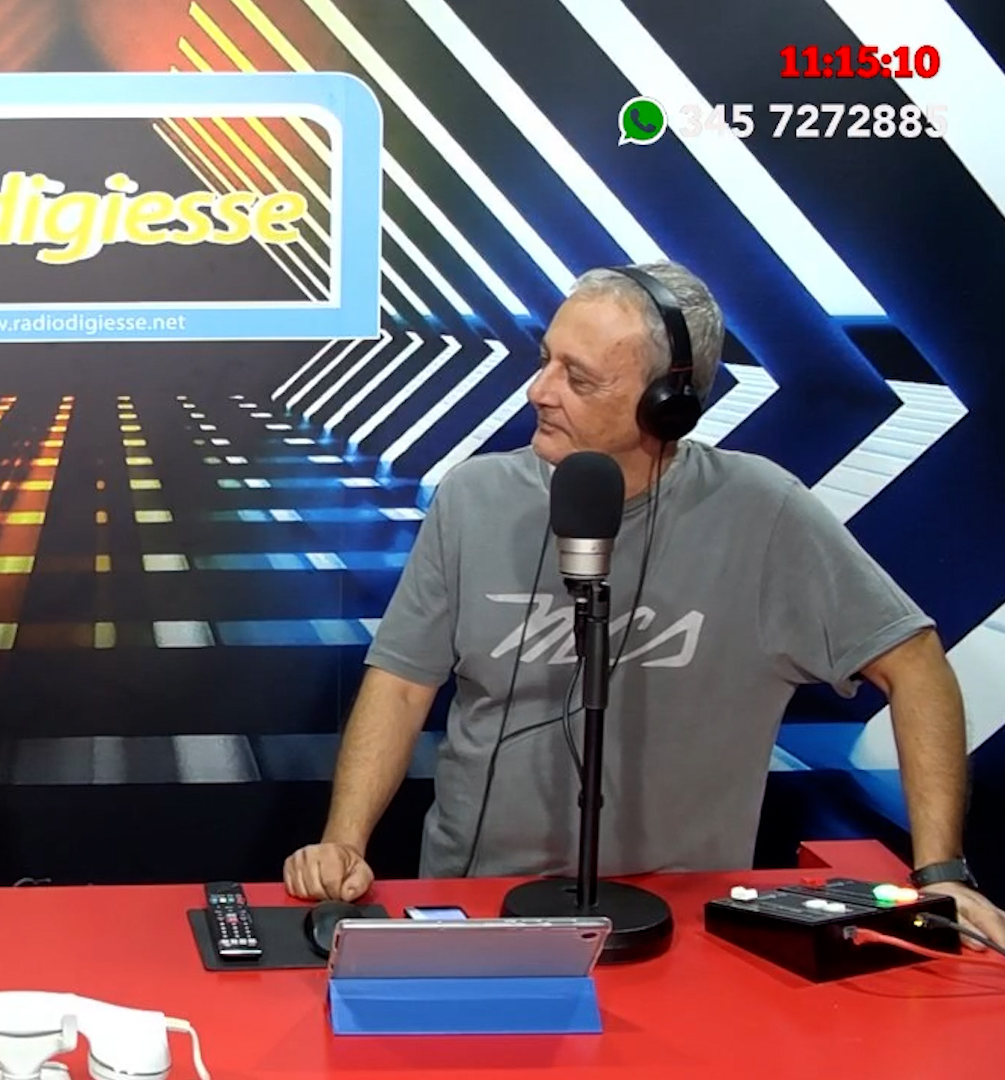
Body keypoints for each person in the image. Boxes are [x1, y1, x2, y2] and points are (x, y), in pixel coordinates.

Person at [283, 260, 1005, 948]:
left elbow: (915, 664)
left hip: (684, 918)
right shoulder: (473, 497)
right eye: (545, 360)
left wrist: (940, 871)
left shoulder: (764, 511)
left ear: (669, 404)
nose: (539, 391)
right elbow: (402, 684)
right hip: (479, 900)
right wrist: (345, 843)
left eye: (578, 378)